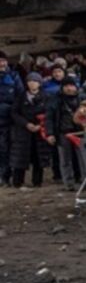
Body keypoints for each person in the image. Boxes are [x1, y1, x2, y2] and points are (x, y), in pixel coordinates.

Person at [10, 73, 48, 188]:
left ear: (39, 83)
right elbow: (14, 113)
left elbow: (49, 113)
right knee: (20, 157)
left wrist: (40, 125)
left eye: (35, 81)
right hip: (23, 131)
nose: (32, 83)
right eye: (30, 81)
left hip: (39, 130)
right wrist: (26, 124)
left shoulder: (46, 96)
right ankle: (18, 181)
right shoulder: (21, 97)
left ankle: (37, 181)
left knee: (38, 157)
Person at [47, 76, 83, 190]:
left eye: (71, 85)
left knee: (83, 159)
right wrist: (50, 133)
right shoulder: (55, 100)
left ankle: (85, 181)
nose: (69, 88)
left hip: (80, 132)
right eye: (66, 86)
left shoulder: (81, 99)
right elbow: (49, 118)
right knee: (65, 160)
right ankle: (69, 183)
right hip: (63, 133)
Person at [0, 52, 23, 186]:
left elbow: (19, 96)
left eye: (3, 61)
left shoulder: (13, 76)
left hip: (9, 119)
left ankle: (6, 175)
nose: (1, 64)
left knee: (7, 148)